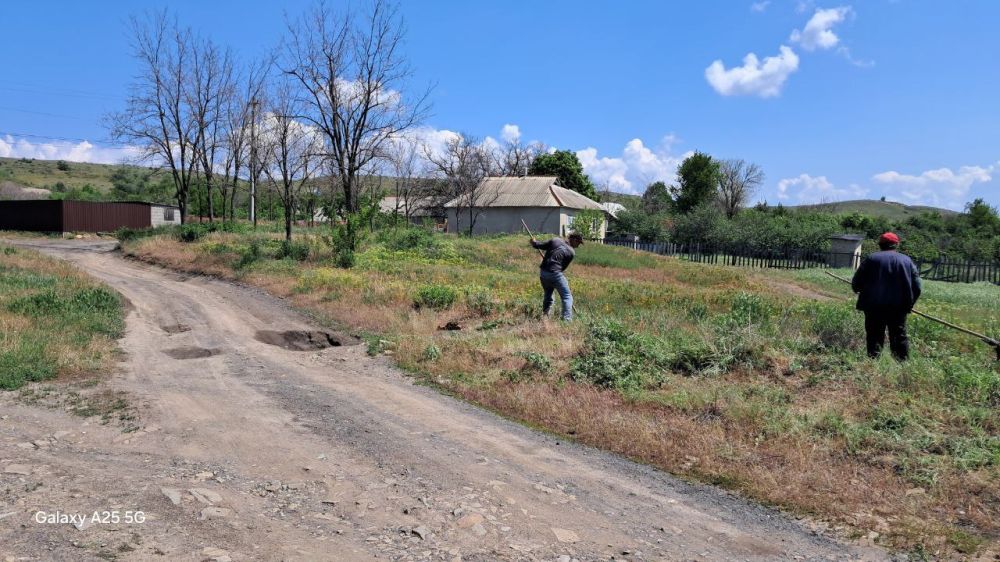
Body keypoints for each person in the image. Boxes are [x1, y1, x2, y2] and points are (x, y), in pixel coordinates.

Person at [851, 232, 922, 360]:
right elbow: (917, 286)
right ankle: (901, 364)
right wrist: (909, 303)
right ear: (896, 244)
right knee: (898, 335)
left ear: (880, 244)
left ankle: (873, 363)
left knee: (874, 334)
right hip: (898, 307)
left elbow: (857, 282)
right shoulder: (906, 260)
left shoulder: (871, 259)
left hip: (873, 305)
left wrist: (858, 290)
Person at [529, 232, 583, 321]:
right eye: (578, 243)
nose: (578, 246)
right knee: (567, 296)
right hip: (555, 274)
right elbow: (562, 268)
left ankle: (546, 316)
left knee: (548, 294)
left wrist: (533, 242)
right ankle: (566, 320)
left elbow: (538, 245)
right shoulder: (571, 252)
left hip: (543, 273)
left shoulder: (555, 240)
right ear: (573, 239)